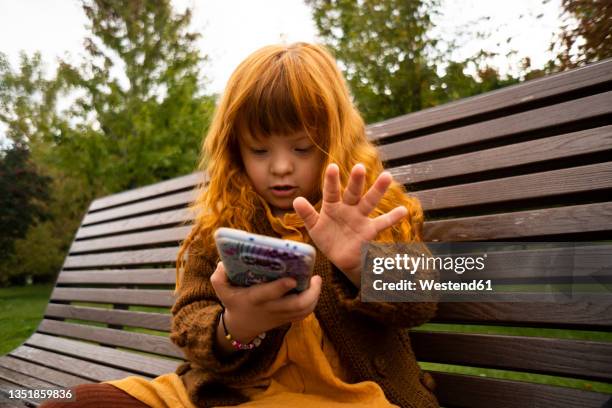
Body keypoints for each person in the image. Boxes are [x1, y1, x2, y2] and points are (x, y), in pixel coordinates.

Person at [40, 42, 438, 408]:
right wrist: (236, 327)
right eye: (260, 149)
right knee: (64, 401)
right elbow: (189, 321)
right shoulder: (222, 226)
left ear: (334, 142)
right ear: (236, 150)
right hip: (224, 393)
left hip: (342, 397)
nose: (281, 166)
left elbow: (421, 301)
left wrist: (359, 266)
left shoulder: (367, 211)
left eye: (302, 148)